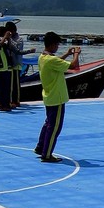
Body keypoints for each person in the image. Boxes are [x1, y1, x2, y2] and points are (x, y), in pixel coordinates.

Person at [35, 32, 81, 162]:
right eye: (56, 44)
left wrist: (67, 54)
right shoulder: (51, 60)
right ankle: (47, 154)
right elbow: (73, 66)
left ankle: (41, 147)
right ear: (52, 44)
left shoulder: (43, 57)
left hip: (49, 95)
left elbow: (56, 61)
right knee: (54, 127)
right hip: (57, 97)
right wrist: (76, 54)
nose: (57, 47)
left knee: (48, 123)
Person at [4, 21, 33, 108]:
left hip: (16, 64)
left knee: (15, 85)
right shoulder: (5, 38)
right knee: (9, 84)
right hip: (8, 65)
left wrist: (9, 39)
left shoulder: (19, 39)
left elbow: (17, 50)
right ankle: (8, 100)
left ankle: (16, 101)